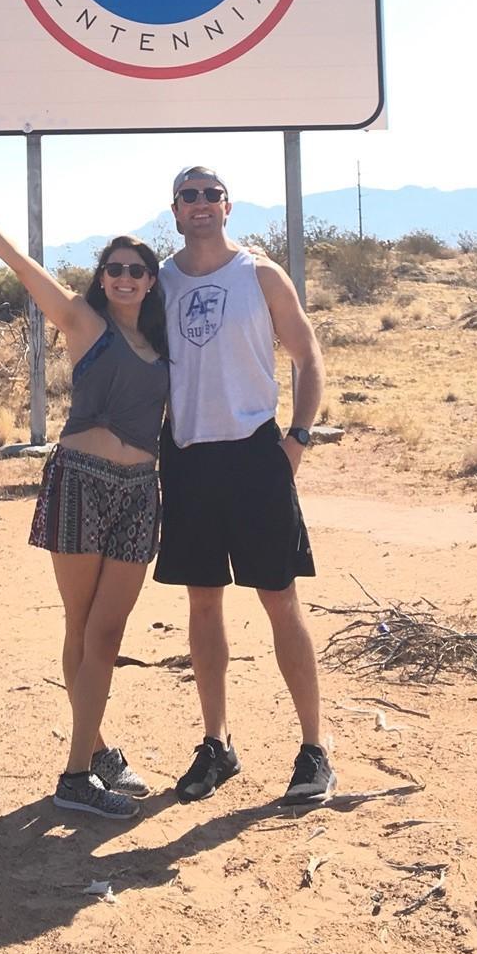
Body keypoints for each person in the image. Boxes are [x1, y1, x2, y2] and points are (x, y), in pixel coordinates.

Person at [0, 164, 169, 820]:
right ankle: (78, 772)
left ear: (151, 280)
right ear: (101, 276)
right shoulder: (83, 322)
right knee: (84, 628)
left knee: (105, 632)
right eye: (113, 268)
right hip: (80, 483)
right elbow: (20, 266)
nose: (123, 278)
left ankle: (95, 747)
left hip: (140, 490)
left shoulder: (163, 343)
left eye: (136, 270)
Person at [155, 165, 337, 807]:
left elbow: (307, 353)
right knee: (202, 605)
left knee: (279, 599)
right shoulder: (162, 282)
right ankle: (217, 743)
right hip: (188, 458)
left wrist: (298, 438)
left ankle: (314, 749)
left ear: (228, 206)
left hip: (257, 455)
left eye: (211, 194)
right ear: (174, 210)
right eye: (188, 196)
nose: (200, 205)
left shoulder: (259, 274)